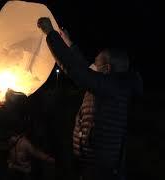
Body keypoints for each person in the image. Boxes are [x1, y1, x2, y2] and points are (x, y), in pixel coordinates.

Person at [38, 17, 143, 180]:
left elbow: (76, 70)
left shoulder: (110, 87)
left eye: (96, 63)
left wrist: (51, 34)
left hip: (100, 170)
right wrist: (69, 43)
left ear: (107, 69)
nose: (92, 66)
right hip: (95, 165)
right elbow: (82, 67)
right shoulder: (111, 85)